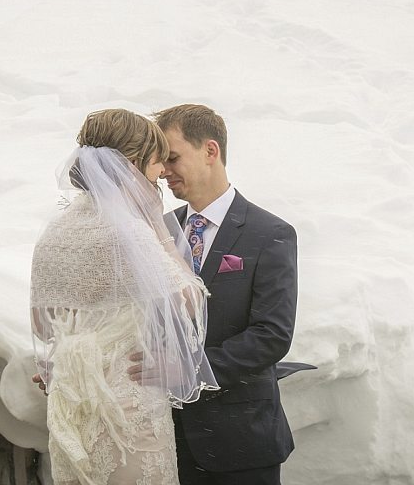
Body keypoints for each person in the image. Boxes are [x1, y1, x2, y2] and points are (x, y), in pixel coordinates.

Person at [30, 109, 219, 485]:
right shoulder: (129, 231)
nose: (161, 172)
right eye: (154, 162)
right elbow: (189, 301)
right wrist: (157, 226)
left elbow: (43, 324)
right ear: (131, 166)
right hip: (128, 402)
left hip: (73, 398)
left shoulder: (56, 231)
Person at [148, 104, 299, 485]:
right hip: (168, 440)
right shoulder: (160, 230)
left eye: (173, 157)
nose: (164, 170)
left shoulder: (270, 233)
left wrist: (190, 372)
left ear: (210, 151)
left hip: (242, 442)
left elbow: (272, 334)